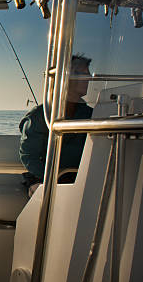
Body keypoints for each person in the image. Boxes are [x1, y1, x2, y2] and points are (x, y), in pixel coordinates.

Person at [19, 55, 93, 194]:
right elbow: (29, 156)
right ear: (65, 79)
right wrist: (53, 178)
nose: (89, 78)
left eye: (88, 74)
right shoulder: (40, 115)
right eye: (82, 74)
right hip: (46, 178)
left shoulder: (91, 114)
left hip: (82, 178)